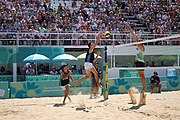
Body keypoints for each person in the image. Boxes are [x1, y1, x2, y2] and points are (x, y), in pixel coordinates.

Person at [126, 23, 146, 105]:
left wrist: (131, 31)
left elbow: (136, 39)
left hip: (141, 62)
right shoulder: (138, 46)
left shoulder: (142, 47)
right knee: (140, 75)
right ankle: (143, 88)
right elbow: (136, 40)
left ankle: (144, 87)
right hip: (137, 62)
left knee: (142, 75)